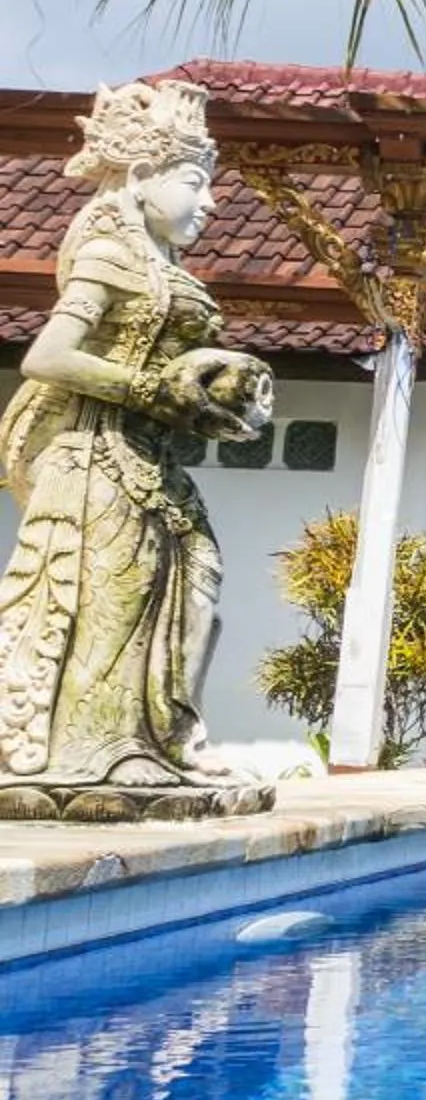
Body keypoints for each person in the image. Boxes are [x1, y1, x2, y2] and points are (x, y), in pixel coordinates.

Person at [0, 77, 272, 784]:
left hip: (152, 460)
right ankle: (99, 754)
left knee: (197, 590)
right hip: (93, 459)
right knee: (112, 607)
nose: (210, 202)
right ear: (145, 176)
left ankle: (168, 738)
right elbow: (47, 357)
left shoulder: (168, 270)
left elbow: (181, 367)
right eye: (195, 183)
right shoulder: (107, 256)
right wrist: (151, 389)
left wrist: (224, 390)